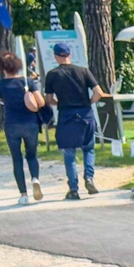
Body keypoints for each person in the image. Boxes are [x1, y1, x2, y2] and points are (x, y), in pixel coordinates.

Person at [40, 39, 109, 200]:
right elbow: (99, 92)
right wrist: (89, 101)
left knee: (69, 153)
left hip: (66, 116)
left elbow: (48, 100)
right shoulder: (83, 71)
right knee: (89, 149)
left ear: (56, 56)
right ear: (70, 54)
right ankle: (89, 178)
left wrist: (59, 103)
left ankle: (73, 189)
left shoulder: (52, 75)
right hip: (85, 114)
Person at [0, 49, 44, 204]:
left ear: (2, 67)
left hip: (12, 125)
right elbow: (41, 102)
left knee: (17, 158)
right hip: (30, 123)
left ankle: (23, 194)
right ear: (18, 65)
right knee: (32, 155)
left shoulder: (0, 85)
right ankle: (35, 178)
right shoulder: (28, 82)